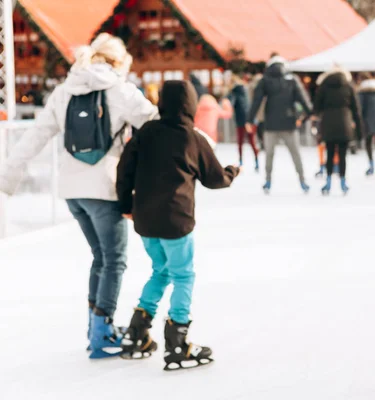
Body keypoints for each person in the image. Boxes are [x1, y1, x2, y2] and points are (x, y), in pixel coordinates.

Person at [0, 33, 158, 359]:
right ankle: (102, 333)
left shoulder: (63, 91)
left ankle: (96, 329)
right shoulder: (120, 90)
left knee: (101, 258)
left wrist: (8, 175)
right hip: (103, 188)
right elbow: (157, 122)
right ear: (118, 62)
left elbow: (35, 136)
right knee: (114, 260)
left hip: (73, 193)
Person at [116, 80, 240, 369]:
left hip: (145, 219)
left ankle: (136, 333)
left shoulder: (146, 133)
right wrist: (232, 172)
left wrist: (125, 205)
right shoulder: (192, 138)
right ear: (191, 105)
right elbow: (214, 178)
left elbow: (125, 169)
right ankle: (177, 343)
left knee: (160, 271)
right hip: (176, 221)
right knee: (183, 276)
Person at [247, 53, 312, 194]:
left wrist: (249, 119)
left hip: (271, 124)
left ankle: (268, 180)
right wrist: (308, 115)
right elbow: (303, 99)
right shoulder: (292, 80)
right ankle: (302, 180)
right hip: (289, 123)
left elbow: (256, 101)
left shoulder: (265, 80)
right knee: (295, 153)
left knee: (269, 154)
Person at [312, 67, 363, 195]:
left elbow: (317, 106)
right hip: (344, 123)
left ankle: (328, 181)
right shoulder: (348, 86)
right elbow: (356, 109)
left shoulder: (324, 86)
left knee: (329, 153)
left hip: (328, 123)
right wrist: (360, 130)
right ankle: (342, 181)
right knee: (342, 155)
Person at [229, 74, 259, 171]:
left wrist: (247, 122)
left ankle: (244, 161)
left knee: (242, 142)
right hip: (249, 121)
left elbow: (241, 108)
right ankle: (255, 160)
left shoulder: (235, 93)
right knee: (250, 142)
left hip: (244, 122)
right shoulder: (244, 91)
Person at [248, 73, 266, 150]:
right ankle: (262, 142)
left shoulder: (253, 86)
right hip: (260, 111)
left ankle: (262, 142)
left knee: (259, 127)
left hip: (258, 111)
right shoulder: (261, 86)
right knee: (261, 127)